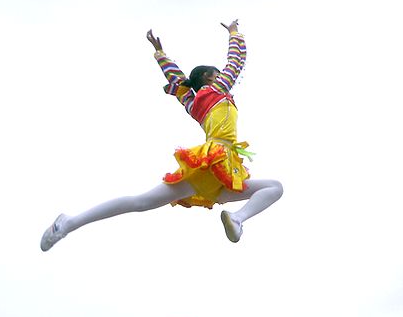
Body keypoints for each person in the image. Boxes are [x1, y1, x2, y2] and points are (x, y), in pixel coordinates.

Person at [40, 20, 283, 252]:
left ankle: (68, 224)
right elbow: (237, 60)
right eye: (217, 73)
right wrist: (234, 33)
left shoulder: (194, 102)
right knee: (274, 187)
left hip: (219, 174)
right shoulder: (217, 89)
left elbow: (178, 83)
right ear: (210, 77)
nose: (224, 76)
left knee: (141, 202)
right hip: (215, 163)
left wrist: (161, 55)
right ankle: (238, 219)